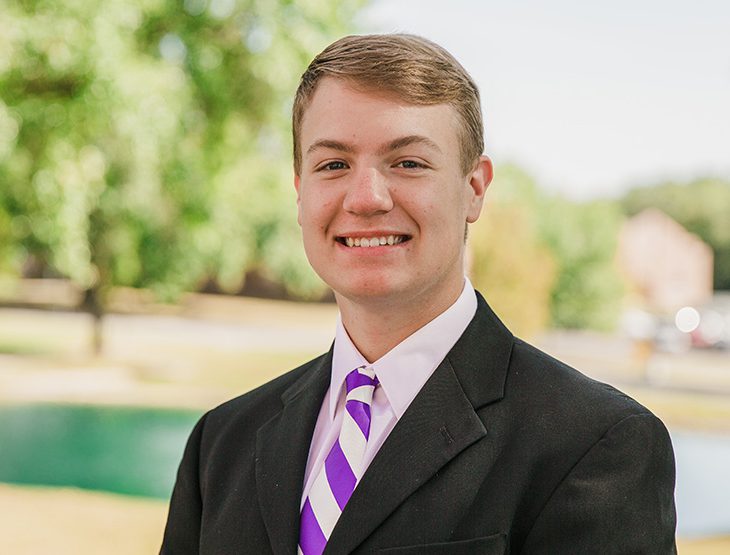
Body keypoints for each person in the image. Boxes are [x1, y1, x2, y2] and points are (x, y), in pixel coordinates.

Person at [160, 34, 677, 554]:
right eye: (333, 165)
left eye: (407, 163)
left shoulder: (596, 446)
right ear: (300, 192)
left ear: (474, 188)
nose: (366, 199)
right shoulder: (221, 443)